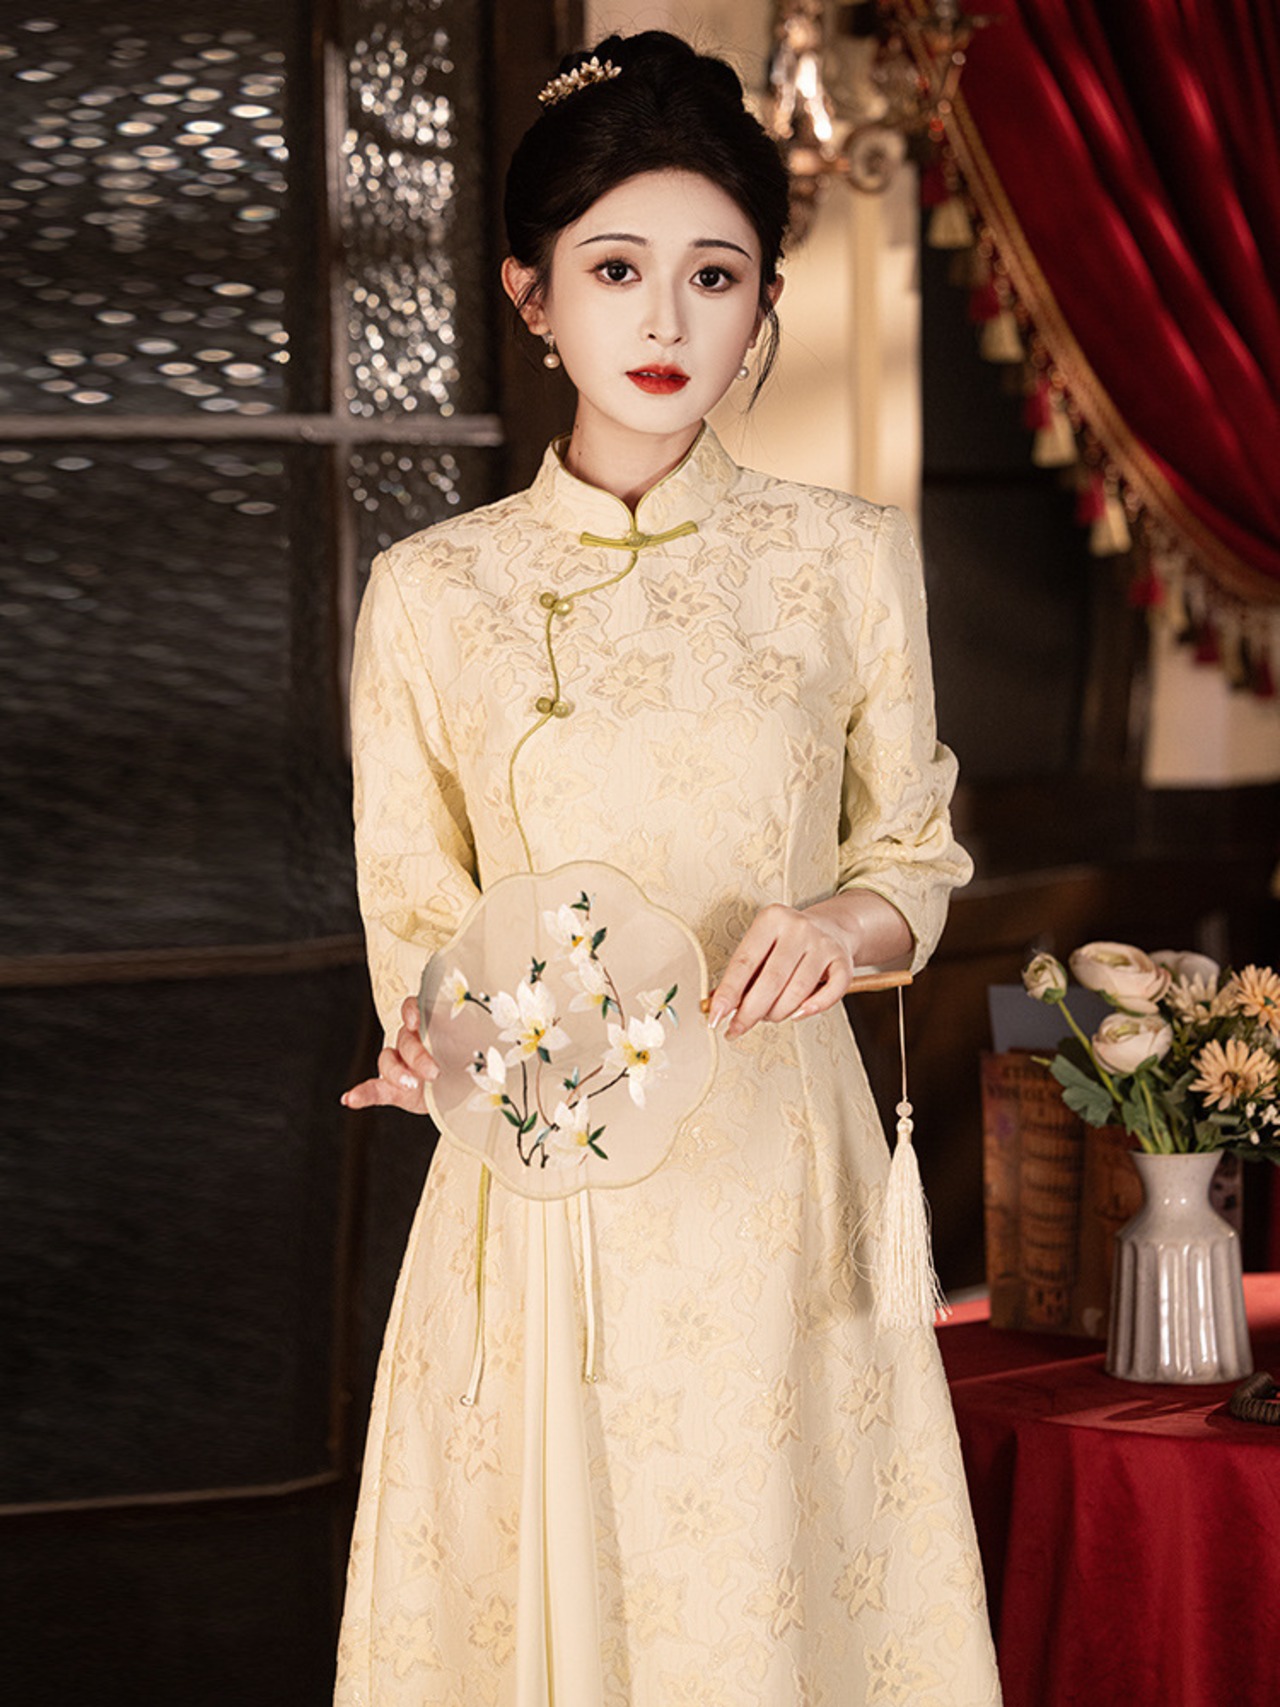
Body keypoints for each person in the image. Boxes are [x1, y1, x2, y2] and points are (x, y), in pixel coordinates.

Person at [335, 29, 1001, 1707]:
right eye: (616, 268)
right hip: (542, 1195)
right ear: (533, 294)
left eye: (715, 274)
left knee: (768, 1612)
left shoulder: (846, 561)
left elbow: (912, 856)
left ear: (763, 299)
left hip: (783, 1184)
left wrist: (844, 923)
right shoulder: (432, 594)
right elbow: (416, 917)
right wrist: (428, 1040)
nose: (667, 322)